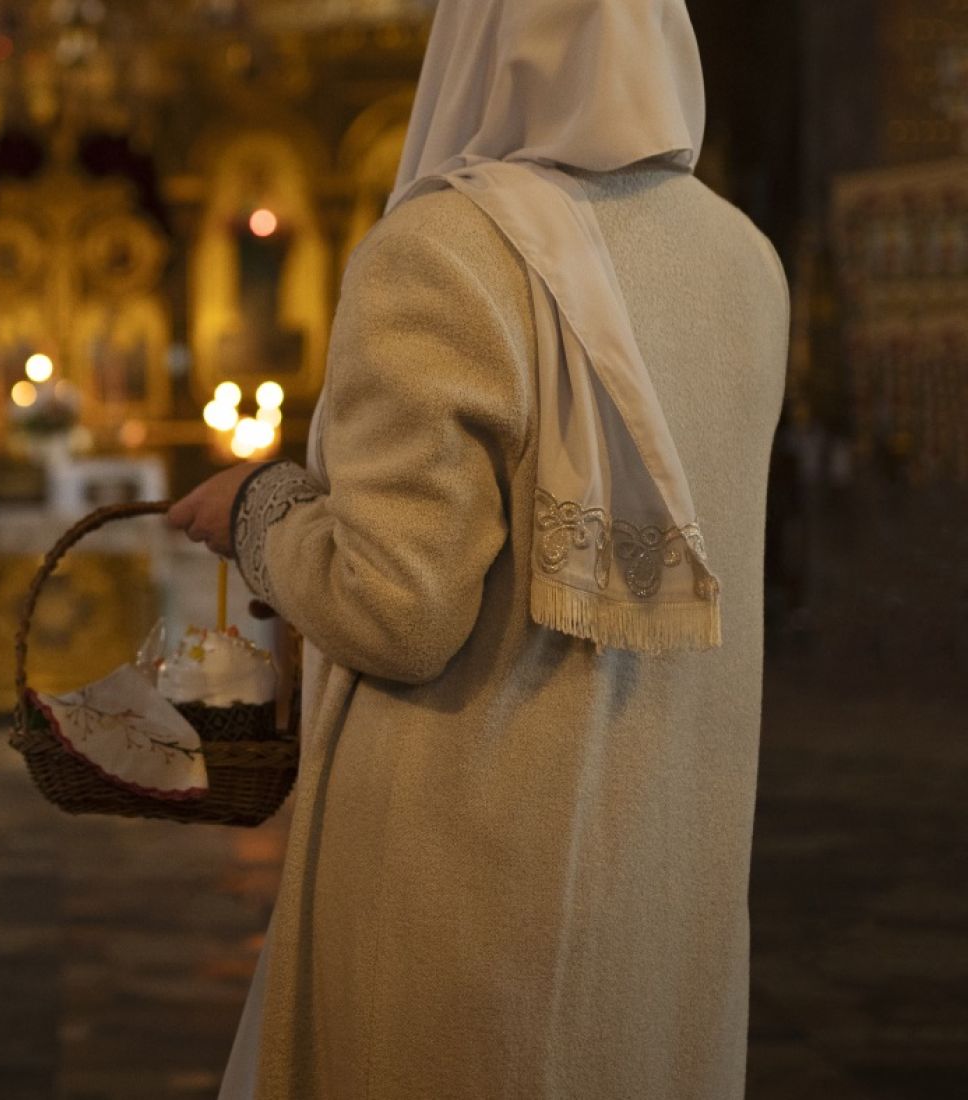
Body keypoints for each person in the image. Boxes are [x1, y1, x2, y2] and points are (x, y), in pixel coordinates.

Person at [167, 1, 788, 1095]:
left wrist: (261, 511)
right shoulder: (747, 267)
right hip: (661, 879)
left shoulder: (446, 254)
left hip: (465, 890)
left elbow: (395, 608)